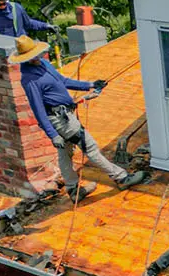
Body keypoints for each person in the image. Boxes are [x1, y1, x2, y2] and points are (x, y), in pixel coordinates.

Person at [9, 35, 147, 198]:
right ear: (26, 58)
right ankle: (121, 177)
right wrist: (53, 135)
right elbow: (38, 110)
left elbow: (64, 81)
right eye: (33, 56)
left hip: (66, 114)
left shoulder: (44, 64)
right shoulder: (30, 79)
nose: (38, 57)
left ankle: (73, 190)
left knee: (65, 153)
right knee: (90, 148)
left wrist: (90, 85)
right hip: (60, 121)